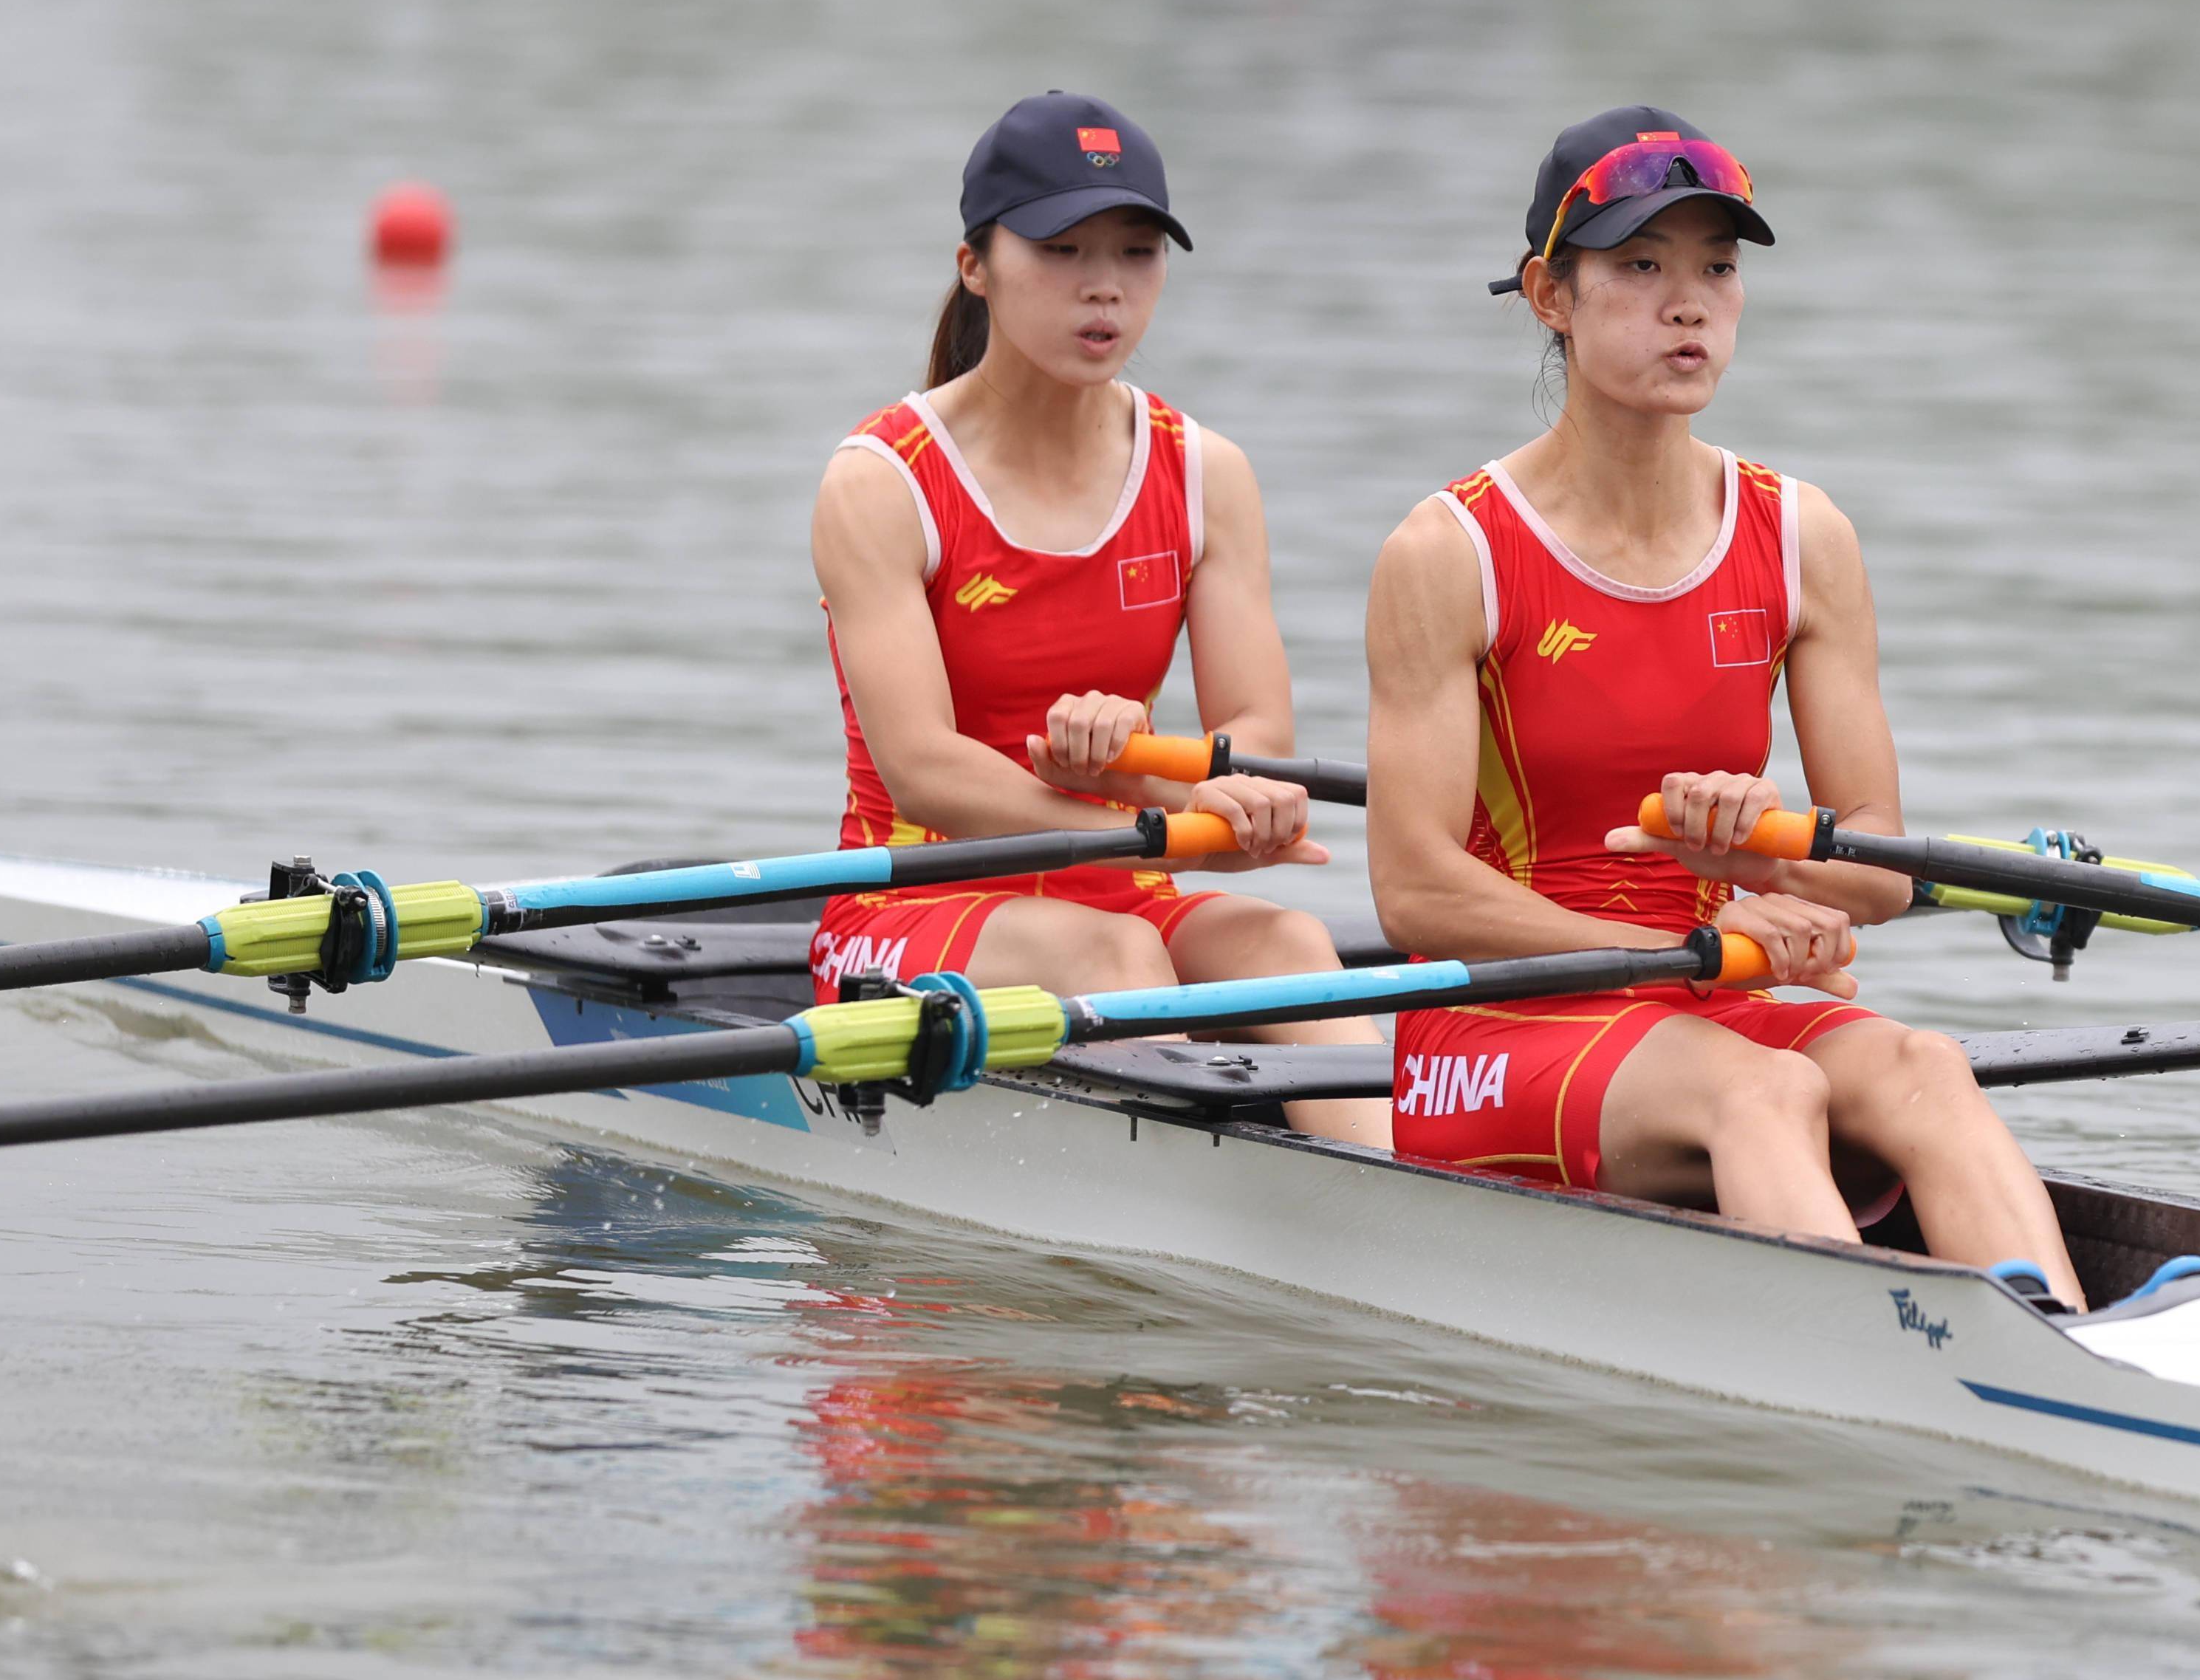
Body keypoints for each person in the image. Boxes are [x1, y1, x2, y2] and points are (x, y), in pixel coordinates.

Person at [1360, 107, 2083, 1300]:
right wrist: (1688, 945)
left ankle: (2067, 1356)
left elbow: (1879, 867)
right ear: (1551, 294)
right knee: (1768, 1087)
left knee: (1923, 1065)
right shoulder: (1451, 553)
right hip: (1492, 1027)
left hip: (1704, 988)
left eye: (1717, 268)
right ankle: (1876, 1373)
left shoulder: (1804, 536)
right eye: (1641, 266)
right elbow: (1414, 890)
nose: (1687, 303)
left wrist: (1763, 859)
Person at [809, 90, 1388, 1149]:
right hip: (908, 905)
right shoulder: (883, 480)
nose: (1104, 286)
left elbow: (1256, 733)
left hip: (1128, 885)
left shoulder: (1206, 471)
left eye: (1136, 251)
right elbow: (923, 769)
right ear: (975, 264)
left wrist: (1205, 790)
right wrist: (1145, 810)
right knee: (1118, 959)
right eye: (1062, 248)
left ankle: (1398, 1238)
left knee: (1296, 940)